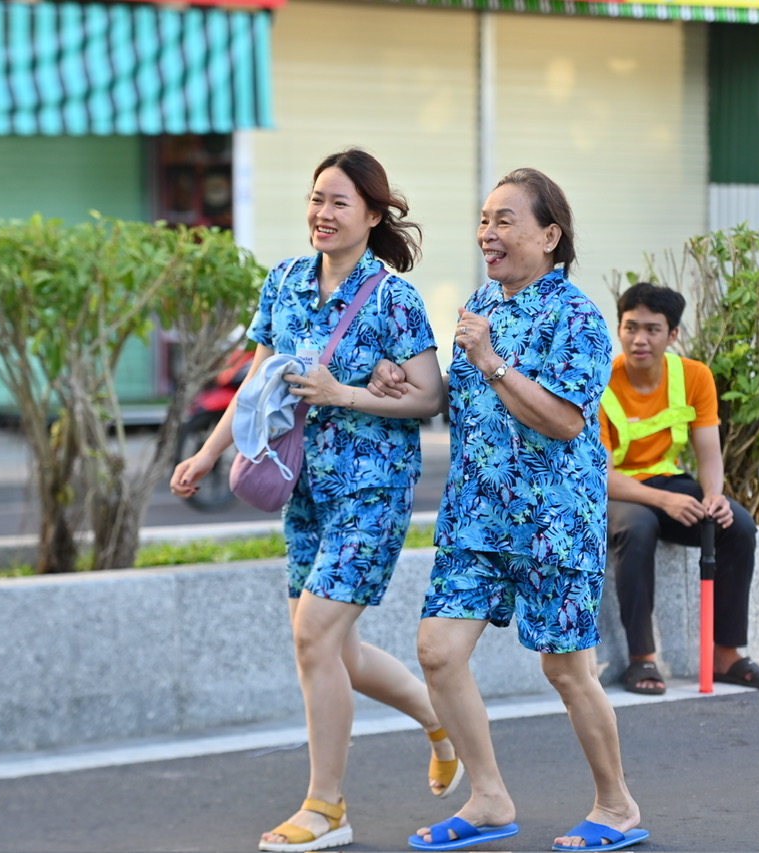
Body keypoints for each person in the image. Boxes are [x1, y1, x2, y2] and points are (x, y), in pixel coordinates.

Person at [171, 148, 459, 853]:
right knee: (337, 648)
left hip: (371, 490)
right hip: (302, 487)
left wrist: (346, 393)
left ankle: (326, 805)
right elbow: (258, 380)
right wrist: (209, 455)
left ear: (371, 214)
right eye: (316, 198)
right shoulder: (286, 281)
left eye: (338, 202)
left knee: (312, 635)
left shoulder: (394, 298)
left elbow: (430, 394)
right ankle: (437, 717)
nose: (322, 213)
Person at [370, 168, 647, 852]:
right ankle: (489, 795)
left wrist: (491, 360)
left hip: (554, 520)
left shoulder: (578, 317)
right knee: (437, 649)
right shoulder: (477, 304)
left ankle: (616, 805)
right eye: (484, 219)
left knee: (565, 667)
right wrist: (394, 378)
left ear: (550, 235)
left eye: (505, 220)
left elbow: (562, 421)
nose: (487, 233)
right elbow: (457, 403)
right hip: (475, 517)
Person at [600, 282, 759, 696]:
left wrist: (714, 496)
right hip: (617, 491)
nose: (639, 339)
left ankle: (727, 655)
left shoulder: (695, 376)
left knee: (737, 525)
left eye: (652, 329)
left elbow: (709, 454)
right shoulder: (601, 381)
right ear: (619, 328)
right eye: (631, 328)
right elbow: (600, 474)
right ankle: (641, 659)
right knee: (639, 526)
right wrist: (662, 499)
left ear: (673, 335)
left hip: (667, 481)